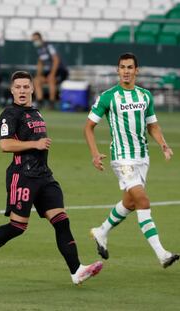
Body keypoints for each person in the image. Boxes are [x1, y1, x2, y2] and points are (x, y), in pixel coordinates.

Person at [0, 71, 103, 286]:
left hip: (44, 176)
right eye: (18, 87)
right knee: (17, 226)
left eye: (25, 87)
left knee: (61, 221)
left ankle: (76, 271)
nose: (22, 90)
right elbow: (5, 145)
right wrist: (35, 144)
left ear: (32, 89)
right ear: (12, 90)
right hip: (23, 176)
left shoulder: (36, 112)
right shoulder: (9, 114)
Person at [84, 52, 179, 268]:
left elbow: (152, 125)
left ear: (136, 70)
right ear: (117, 70)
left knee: (129, 202)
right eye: (122, 67)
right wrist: (94, 153)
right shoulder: (108, 96)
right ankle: (162, 254)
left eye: (129, 67)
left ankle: (101, 231)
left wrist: (163, 144)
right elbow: (88, 127)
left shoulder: (145, 96)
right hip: (122, 159)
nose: (126, 71)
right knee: (142, 201)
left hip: (142, 157)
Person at [31, 32, 68, 110]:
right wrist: (39, 74)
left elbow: (56, 60)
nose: (35, 42)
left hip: (60, 71)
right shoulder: (39, 50)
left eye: (36, 39)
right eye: (33, 40)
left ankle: (52, 103)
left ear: (41, 39)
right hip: (49, 71)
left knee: (51, 79)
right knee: (37, 80)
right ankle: (39, 101)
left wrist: (52, 74)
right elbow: (40, 63)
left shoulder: (49, 47)